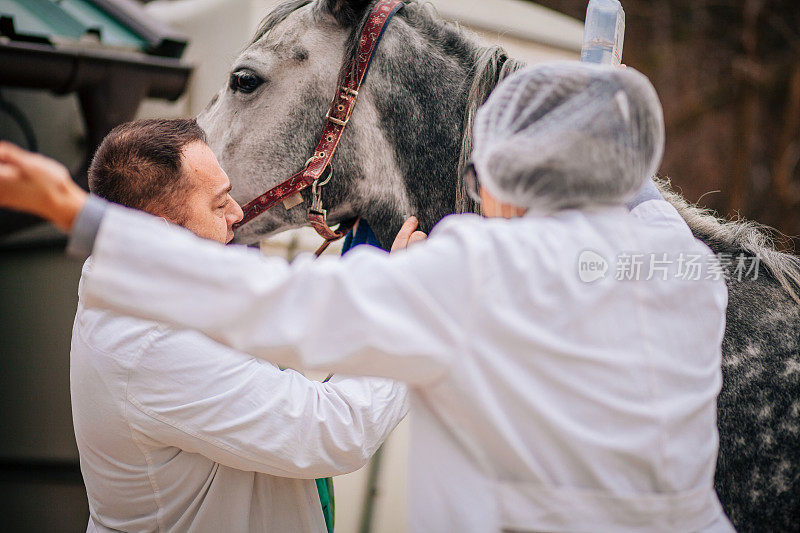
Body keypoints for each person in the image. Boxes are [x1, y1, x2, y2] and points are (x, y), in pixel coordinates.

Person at [0, 63, 733, 532]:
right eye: (222, 202)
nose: (240, 217)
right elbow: (631, 189)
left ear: (503, 188)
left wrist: (77, 212)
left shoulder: (470, 272)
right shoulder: (681, 264)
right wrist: (594, 110)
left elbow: (266, 304)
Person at [22, 119, 410, 532]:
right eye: (218, 203)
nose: (238, 213)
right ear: (159, 230)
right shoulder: (149, 344)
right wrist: (407, 307)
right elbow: (331, 431)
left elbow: (278, 306)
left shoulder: (159, 282)